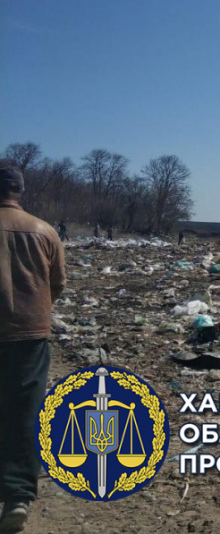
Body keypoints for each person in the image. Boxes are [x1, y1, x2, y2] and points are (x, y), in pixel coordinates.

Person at [0, 166, 66, 531]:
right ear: (20, 191)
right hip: (30, 332)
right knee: (24, 411)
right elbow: (56, 283)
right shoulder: (44, 231)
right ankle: (18, 496)